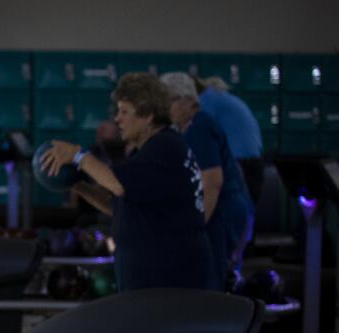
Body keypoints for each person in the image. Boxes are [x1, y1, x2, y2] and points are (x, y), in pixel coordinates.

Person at [40, 73, 211, 292]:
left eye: (124, 112)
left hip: (165, 280)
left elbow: (118, 184)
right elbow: (118, 202)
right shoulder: (149, 151)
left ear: (148, 115)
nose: (117, 119)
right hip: (151, 278)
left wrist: (78, 156)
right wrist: (76, 184)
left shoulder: (164, 148)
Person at [162, 72, 254, 290]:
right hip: (222, 211)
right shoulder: (189, 128)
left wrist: (195, 228)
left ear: (186, 101)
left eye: (168, 103)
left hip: (221, 214)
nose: (165, 111)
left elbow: (212, 182)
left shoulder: (199, 128)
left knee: (212, 278)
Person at [198, 76, 266, 205]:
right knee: (246, 212)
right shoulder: (232, 100)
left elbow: (199, 126)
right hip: (256, 160)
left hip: (238, 162)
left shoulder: (208, 99)